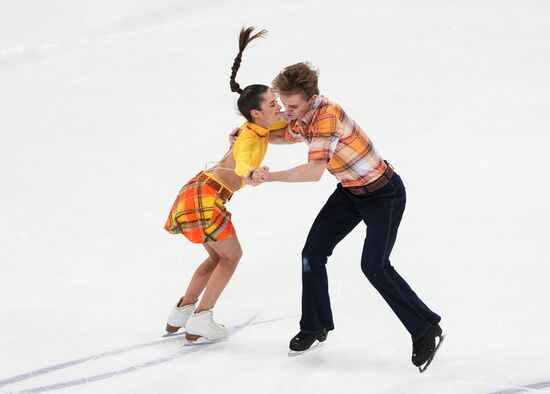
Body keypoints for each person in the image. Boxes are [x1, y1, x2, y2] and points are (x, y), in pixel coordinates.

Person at [264, 62, 443, 370]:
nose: (286, 110)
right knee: (312, 253)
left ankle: (426, 328)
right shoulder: (305, 114)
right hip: (350, 193)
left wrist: (269, 177)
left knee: (375, 266)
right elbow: (285, 134)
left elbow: (313, 172)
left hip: (383, 195)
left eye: (292, 105)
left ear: (310, 97)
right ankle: (315, 325)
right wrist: (251, 135)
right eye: (284, 104)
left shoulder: (327, 117)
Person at [163, 27, 283, 342]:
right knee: (232, 257)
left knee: (218, 257)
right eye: (273, 104)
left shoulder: (254, 128)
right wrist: (249, 174)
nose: (279, 107)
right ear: (257, 112)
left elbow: (286, 124)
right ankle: (202, 317)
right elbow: (243, 160)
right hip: (205, 196)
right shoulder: (248, 136)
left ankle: (182, 312)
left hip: (196, 191)